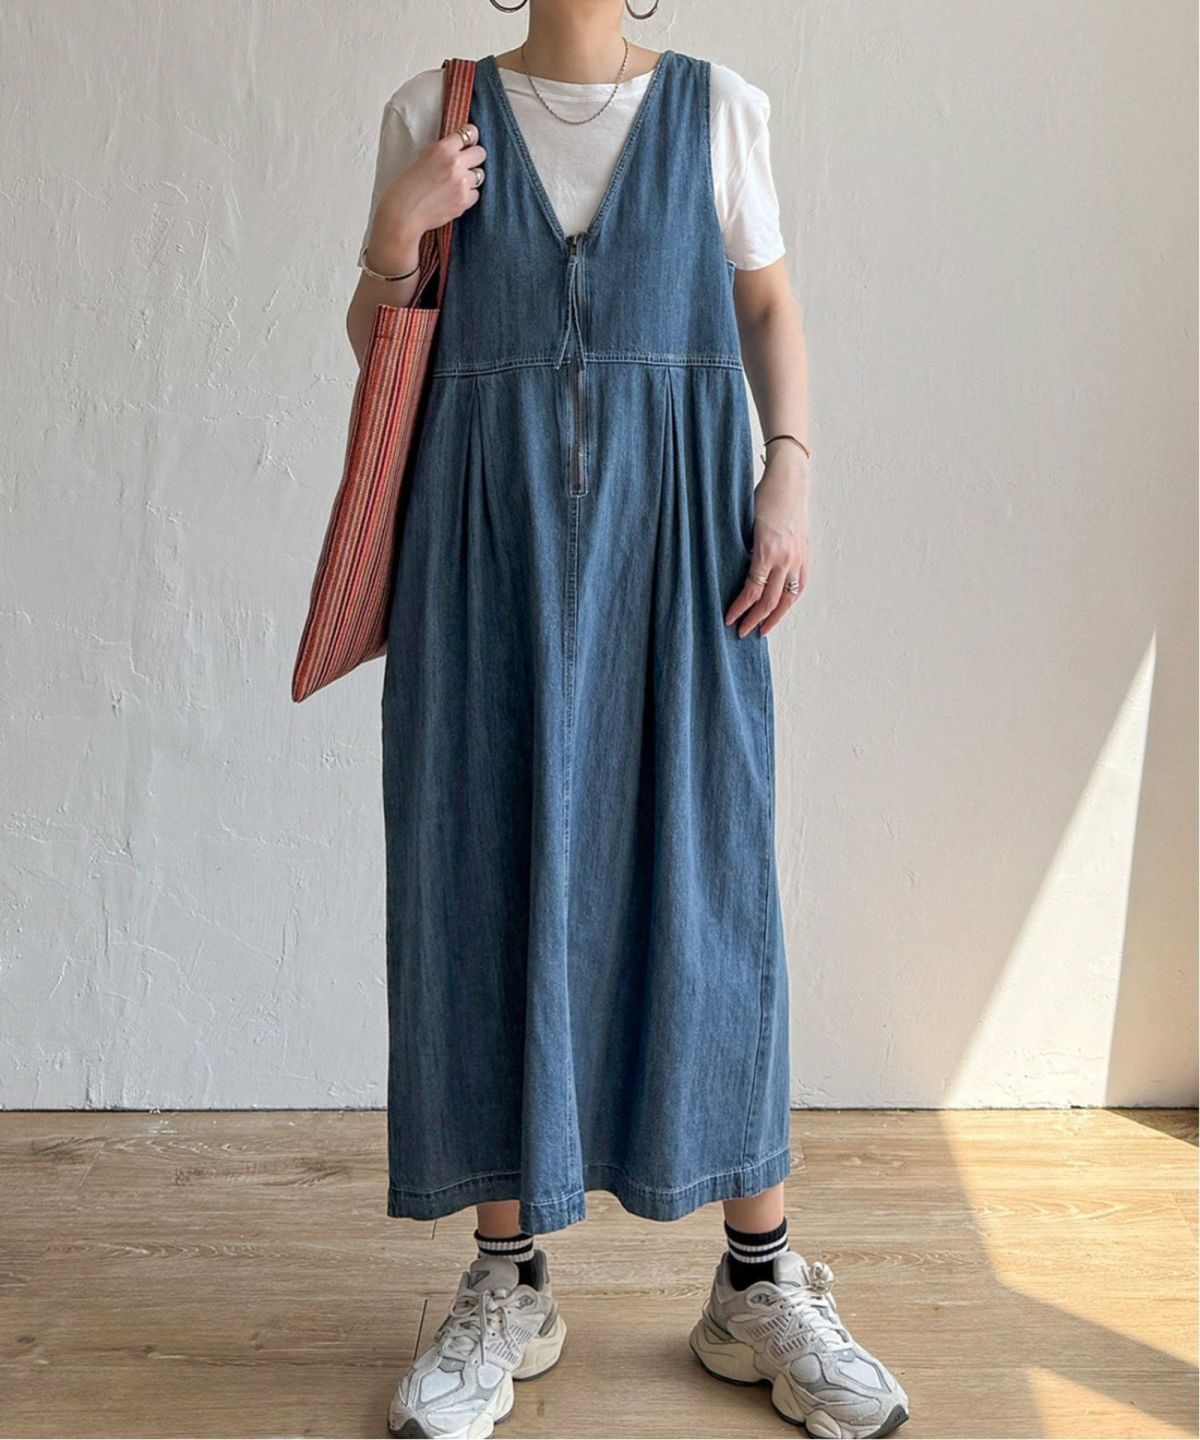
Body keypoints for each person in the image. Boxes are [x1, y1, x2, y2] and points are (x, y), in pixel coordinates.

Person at [346, 3, 908, 1437]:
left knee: (707, 877)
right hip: (482, 550)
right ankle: (506, 1279)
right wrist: (399, 229)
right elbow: (381, 346)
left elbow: (765, 305)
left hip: (684, 548)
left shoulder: (722, 112)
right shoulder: (433, 109)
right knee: (486, 870)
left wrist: (789, 472)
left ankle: (758, 1283)